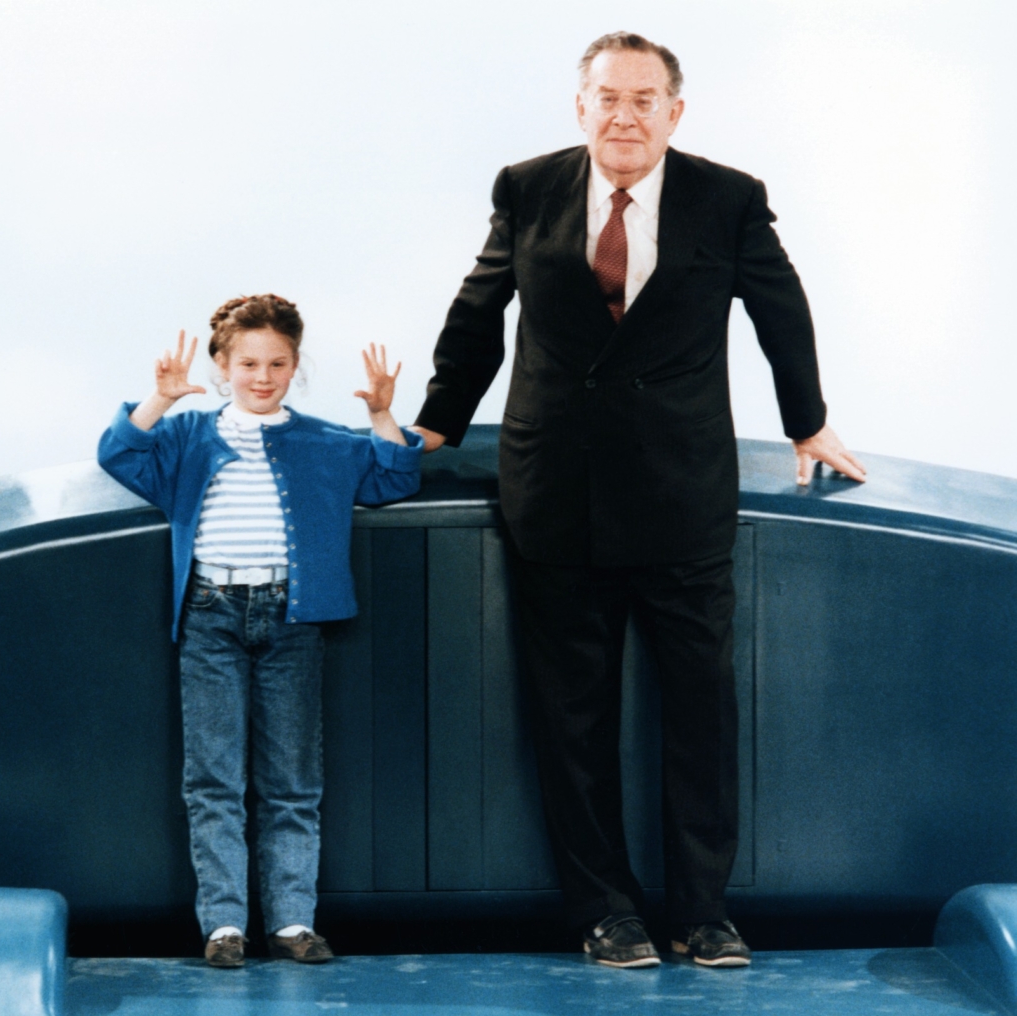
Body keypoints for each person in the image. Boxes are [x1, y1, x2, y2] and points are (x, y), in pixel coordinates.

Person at [410, 33, 867, 969]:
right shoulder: (527, 187)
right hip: (555, 491)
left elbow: (782, 309)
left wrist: (808, 422)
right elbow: (479, 308)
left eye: (644, 100)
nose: (625, 117)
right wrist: (438, 422)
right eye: (608, 99)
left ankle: (703, 911)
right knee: (572, 718)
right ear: (581, 107)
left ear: (674, 112)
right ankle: (605, 910)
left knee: (701, 712)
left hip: (681, 493)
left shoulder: (728, 199)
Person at [98, 294, 423, 968]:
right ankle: (224, 925)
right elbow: (118, 453)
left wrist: (380, 414)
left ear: (296, 366)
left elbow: (394, 476)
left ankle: (292, 922)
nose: (263, 376)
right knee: (213, 779)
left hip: (292, 620)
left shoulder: (325, 441)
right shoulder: (187, 435)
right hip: (209, 616)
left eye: (277, 363)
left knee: (292, 781)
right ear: (222, 366)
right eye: (247, 363)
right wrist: (160, 399)